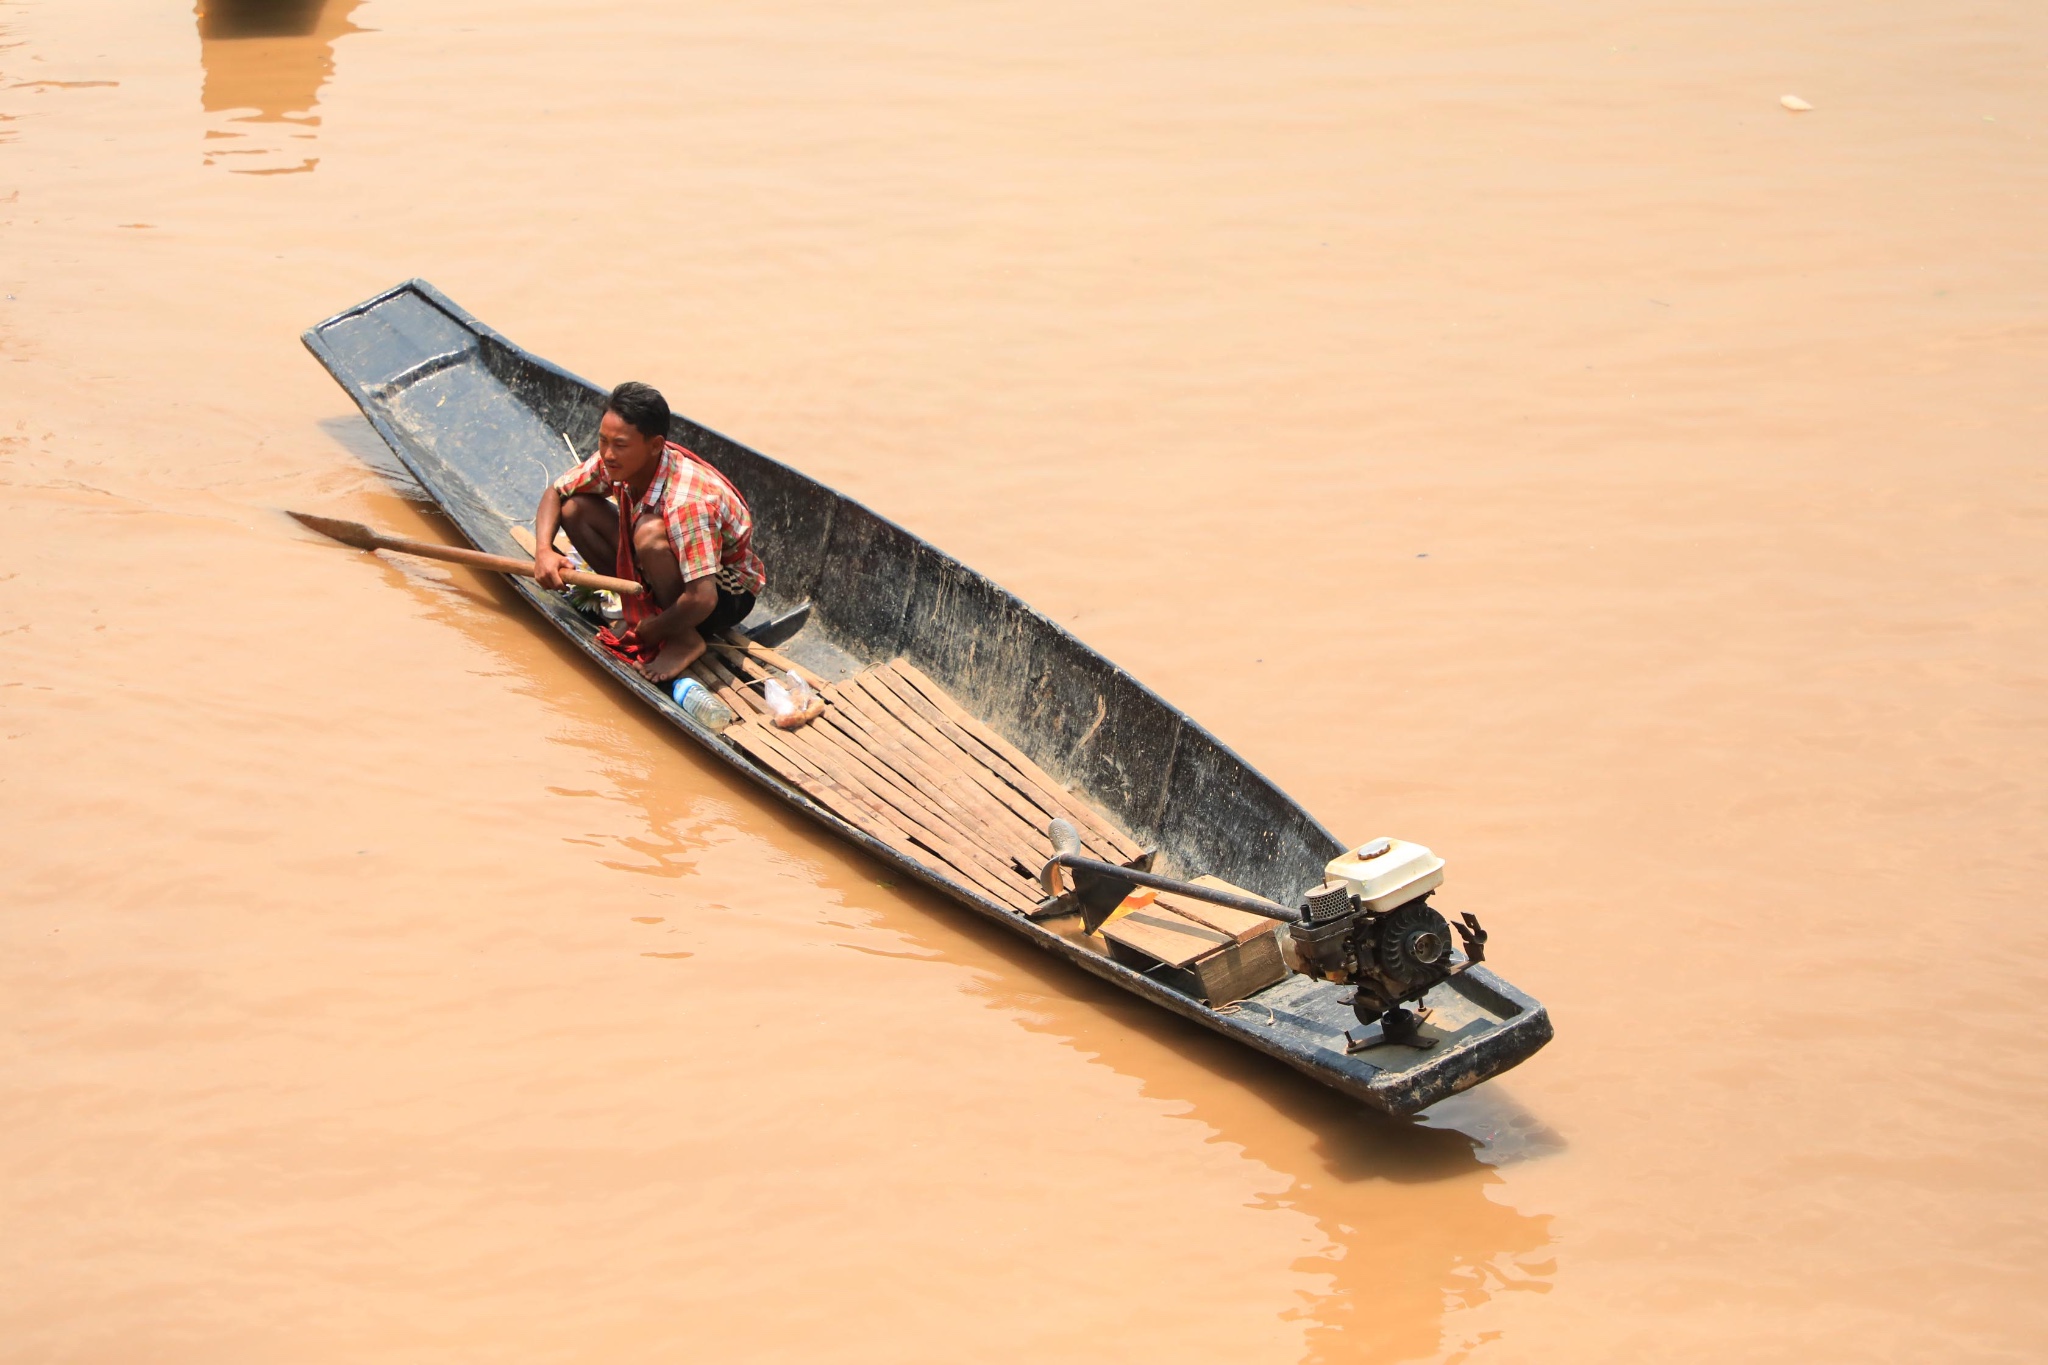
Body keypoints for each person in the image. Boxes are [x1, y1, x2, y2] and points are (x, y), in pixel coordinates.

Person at [532, 381, 766, 682]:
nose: (607, 453)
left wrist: (651, 630)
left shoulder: (687, 502)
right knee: (574, 509)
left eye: (620, 444)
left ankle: (683, 636)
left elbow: (702, 598)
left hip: (726, 592)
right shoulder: (614, 462)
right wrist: (544, 552)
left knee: (649, 533)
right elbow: (556, 493)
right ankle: (647, 608)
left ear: (655, 445)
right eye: (603, 441)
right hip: (678, 572)